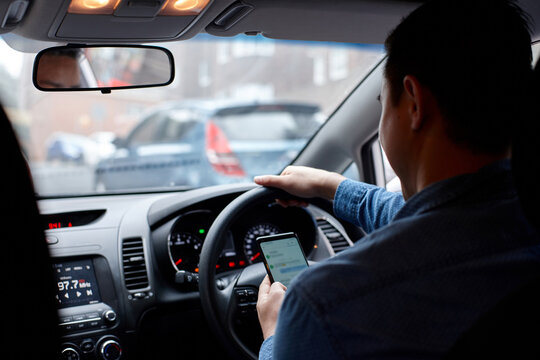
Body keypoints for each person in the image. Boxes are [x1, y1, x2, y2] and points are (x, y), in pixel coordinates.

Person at [253, 0, 540, 358]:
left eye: (382, 102)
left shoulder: (325, 305)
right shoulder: (516, 222)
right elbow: (435, 220)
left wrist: (277, 334)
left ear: (414, 103)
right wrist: (331, 185)